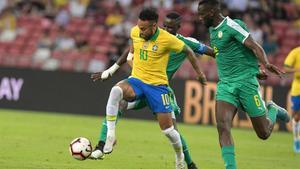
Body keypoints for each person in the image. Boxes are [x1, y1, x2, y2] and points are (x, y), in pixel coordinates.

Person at [90, 12, 215, 169]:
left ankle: (189, 163)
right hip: (140, 83)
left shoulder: (184, 42)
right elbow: (130, 51)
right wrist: (111, 70)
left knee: (171, 130)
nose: (168, 30)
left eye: (171, 27)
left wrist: (226, 60)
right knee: (118, 100)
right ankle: (102, 145)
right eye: (166, 26)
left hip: (160, 89)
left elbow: (211, 52)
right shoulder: (144, 35)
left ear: (179, 27)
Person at [197, 0, 290, 168]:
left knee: (264, 133)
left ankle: (273, 109)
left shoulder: (232, 25)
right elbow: (223, 55)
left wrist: (265, 64)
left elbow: (254, 46)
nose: (199, 18)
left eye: (202, 14)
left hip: (246, 83)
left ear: (211, 13)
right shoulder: (212, 30)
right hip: (226, 85)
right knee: (222, 126)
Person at [284, 46, 300, 153]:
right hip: (298, 89)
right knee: (297, 116)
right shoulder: (296, 52)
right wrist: (296, 69)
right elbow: (286, 67)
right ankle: (296, 139)